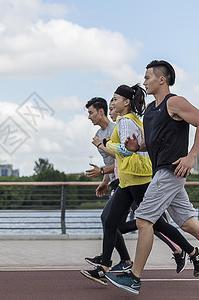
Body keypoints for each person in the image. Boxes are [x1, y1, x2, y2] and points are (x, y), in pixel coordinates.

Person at [105, 60, 199, 295]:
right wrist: (137, 146)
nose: (144, 81)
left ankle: (134, 277)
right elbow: (153, 142)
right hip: (163, 171)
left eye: (148, 77)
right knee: (188, 223)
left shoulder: (174, 102)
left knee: (143, 219)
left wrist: (192, 157)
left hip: (171, 169)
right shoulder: (150, 110)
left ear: (162, 79)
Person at [81, 83, 199, 287]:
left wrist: (104, 144)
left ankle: (192, 251)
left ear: (126, 102)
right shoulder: (128, 120)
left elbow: (127, 150)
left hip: (136, 176)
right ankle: (105, 267)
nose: (113, 103)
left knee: (153, 222)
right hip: (128, 178)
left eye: (116, 99)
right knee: (110, 221)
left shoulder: (126, 121)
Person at [84, 97, 131, 272]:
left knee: (112, 221)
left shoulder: (114, 129)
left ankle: (107, 261)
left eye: (90, 112)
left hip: (127, 180)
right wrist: (105, 181)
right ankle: (118, 260)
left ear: (100, 111)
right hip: (115, 181)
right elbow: (109, 161)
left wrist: (103, 172)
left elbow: (121, 158)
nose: (89, 117)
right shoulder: (98, 136)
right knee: (111, 222)